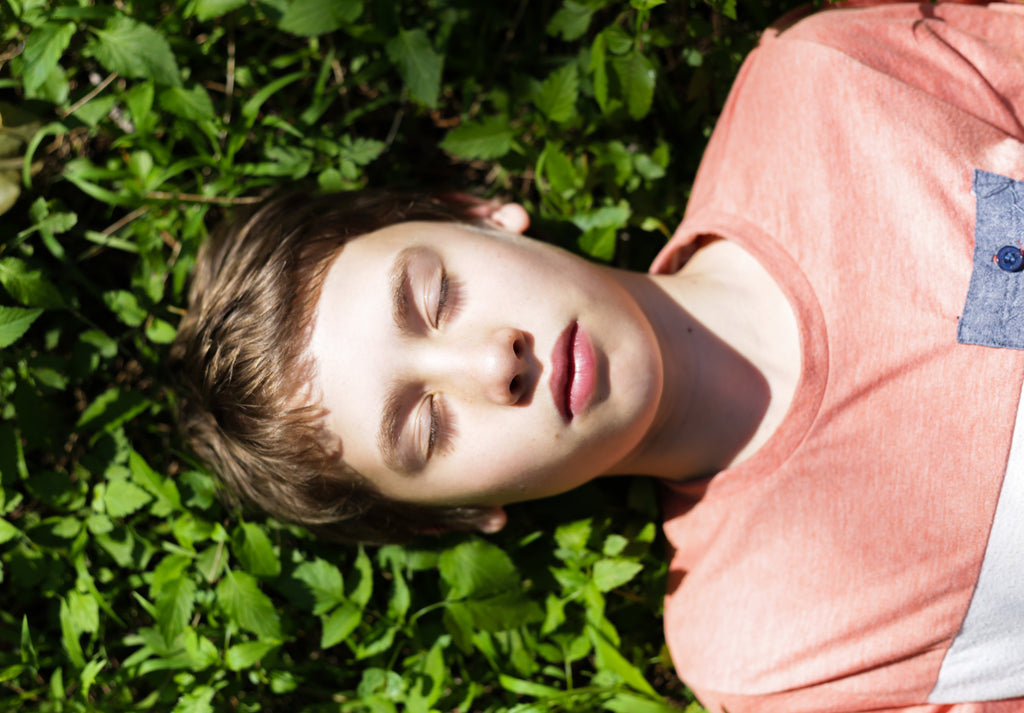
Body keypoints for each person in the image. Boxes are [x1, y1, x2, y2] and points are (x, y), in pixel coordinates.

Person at [169, 0, 1024, 710]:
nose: (490, 367)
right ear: (459, 518)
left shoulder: (822, 92)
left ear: (474, 212)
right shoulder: (766, 650)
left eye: (434, 297)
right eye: (425, 428)